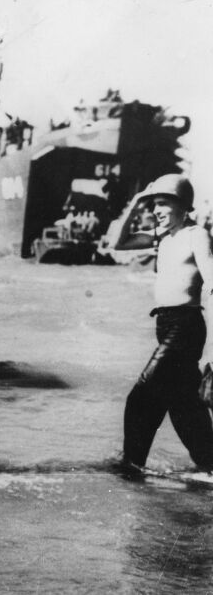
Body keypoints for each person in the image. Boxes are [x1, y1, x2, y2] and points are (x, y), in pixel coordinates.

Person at [113, 174, 213, 474]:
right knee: (183, 407)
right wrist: (136, 201)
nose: (155, 210)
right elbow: (117, 241)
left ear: (183, 206)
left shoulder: (196, 235)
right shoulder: (161, 238)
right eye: (153, 205)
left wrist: (212, 352)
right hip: (166, 326)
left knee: (141, 397)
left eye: (163, 204)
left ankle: (131, 466)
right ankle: (210, 463)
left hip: (185, 327)